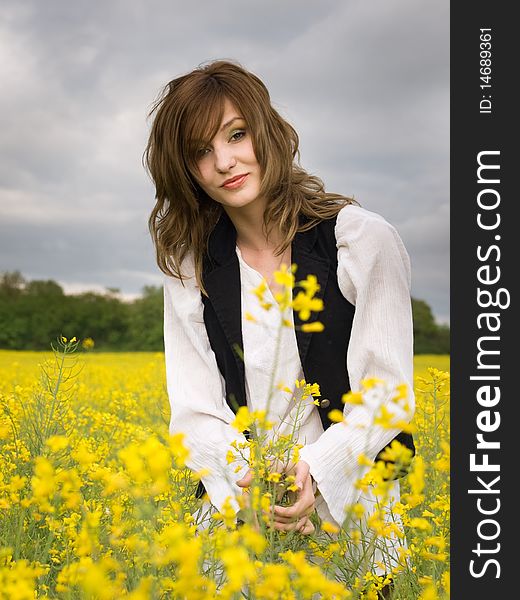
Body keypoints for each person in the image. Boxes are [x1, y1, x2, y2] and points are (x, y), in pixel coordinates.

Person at [145, 59, 415, 565]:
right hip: (239, 512)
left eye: (236, 134)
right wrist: (250, 483)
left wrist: (315, 470)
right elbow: (194, 410)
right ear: (185, 171)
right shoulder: (191, 266)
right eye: (201, 152)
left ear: (267, 130)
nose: (225, 161)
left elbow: (387, 394)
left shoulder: (359, 239)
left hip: (354, 506)